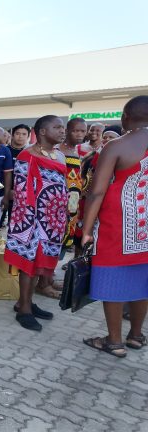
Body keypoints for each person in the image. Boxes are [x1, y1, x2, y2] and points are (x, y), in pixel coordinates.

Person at [81, 96, 148, 358]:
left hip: (117, 225)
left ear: (125, 117)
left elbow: (97, 192)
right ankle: (136, 335)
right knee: (143, 279)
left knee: (112, 277)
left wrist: (87, 230)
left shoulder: (117, 145)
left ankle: (114, 341)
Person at [3, 115, 68, 331]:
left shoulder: (60, 155)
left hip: (53, 219)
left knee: (39, 263)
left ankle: (26, 301)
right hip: (31, 219)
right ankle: (24, 310)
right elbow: (21, 190)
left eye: (62, 127)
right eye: (57, 127)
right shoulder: (27, 155)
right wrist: (29, 223)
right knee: (28, 263)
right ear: (42, 131)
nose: (62, 131)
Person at [59, 117, 87, 258]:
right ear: (67, 131)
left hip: (73, 204)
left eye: (83, 131)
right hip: (60, 202)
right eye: (75, 131)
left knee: (67, 236)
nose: (79, 134)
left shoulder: (75, 151)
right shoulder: (58, 150)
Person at [0, 124, 31, 227]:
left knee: (14, 225)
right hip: (1, 192)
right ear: (12, 135)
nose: (20, 136)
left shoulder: (30, 153)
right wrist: (6, 191)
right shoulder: (4, 150)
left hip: (21, 194)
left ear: (28, 137)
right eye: (17, 133)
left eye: (24, 134)